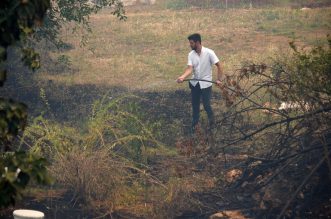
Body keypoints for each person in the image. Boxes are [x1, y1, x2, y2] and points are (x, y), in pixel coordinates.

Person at [177, 33, 224, 133]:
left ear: (197, 42)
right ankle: (194, 126)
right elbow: (190, 69)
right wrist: (182, 77)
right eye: (190, 43)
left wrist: (219, 80)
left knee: (206, 105)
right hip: (195, 84)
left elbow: (219, 66)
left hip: (206, 84)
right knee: (195, 105)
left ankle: (213, 124)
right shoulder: (191, 54)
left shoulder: (209, 52)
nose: (190, 45)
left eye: (191, 43)